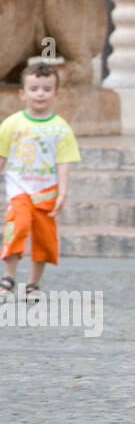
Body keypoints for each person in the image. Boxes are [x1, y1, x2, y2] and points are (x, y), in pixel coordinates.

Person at [0, 64, 79, 302]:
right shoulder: (11, 125)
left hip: (46, 191)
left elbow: (64, 162)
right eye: (34, 88)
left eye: (46, 89)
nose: (40, 94)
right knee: (18, 226)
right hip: (19, 189)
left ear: (56, 94)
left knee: (44, 237)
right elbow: (2, 155)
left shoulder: (61, 129)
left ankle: (34, 283)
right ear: (23, 93)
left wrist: (63, 192)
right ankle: (9, 277)